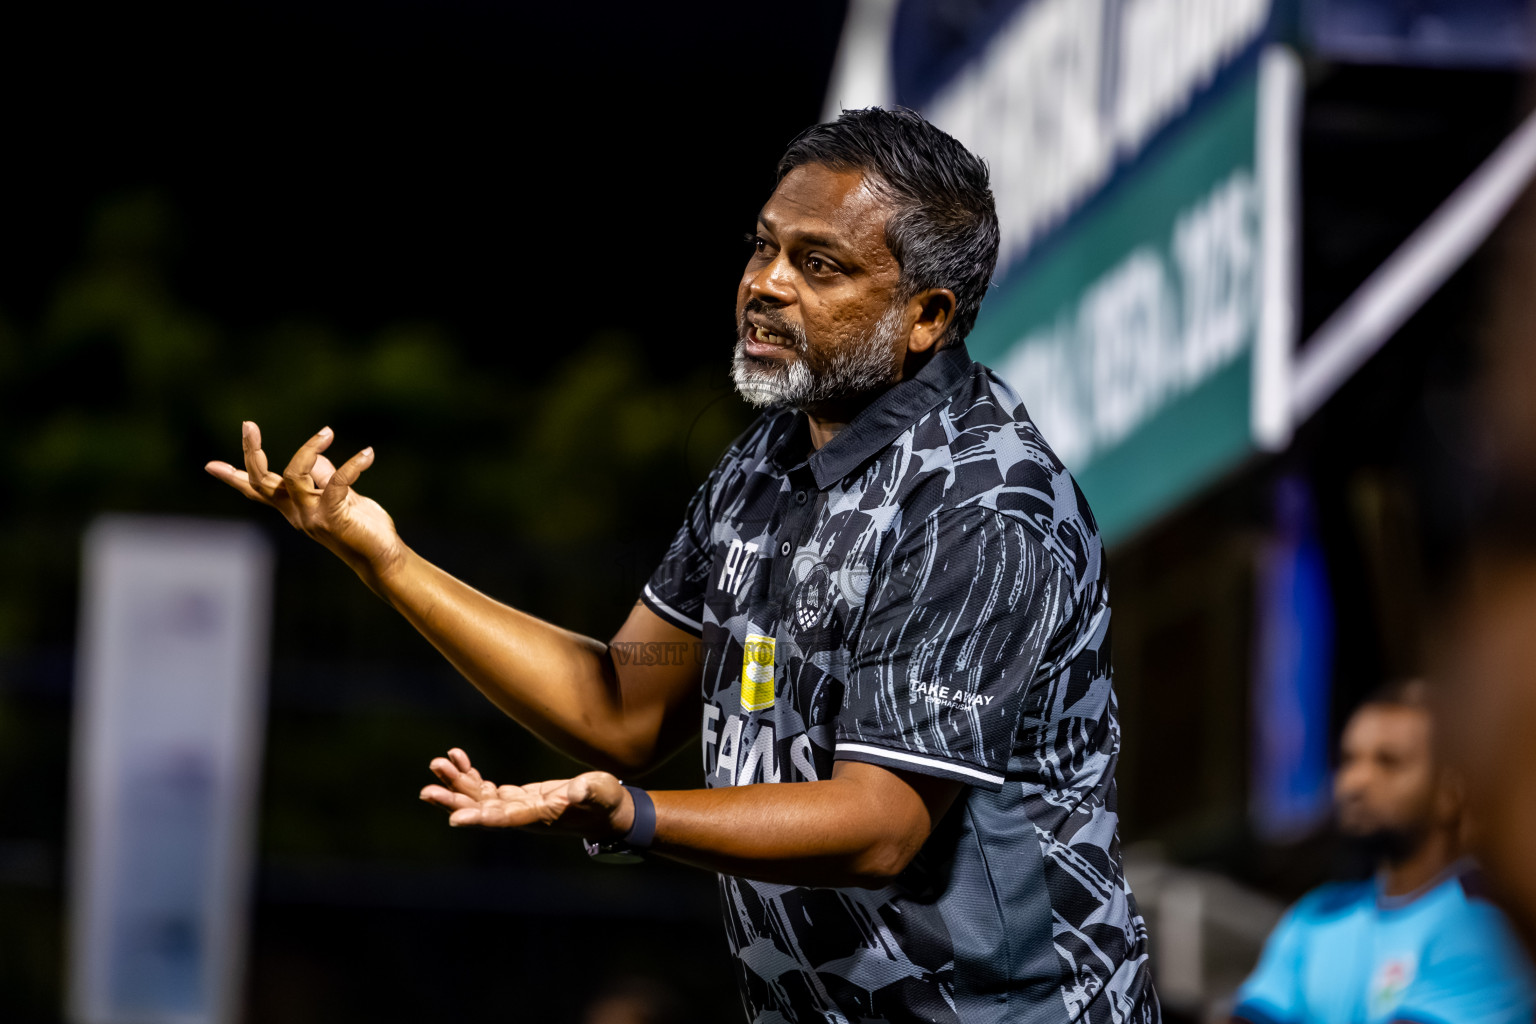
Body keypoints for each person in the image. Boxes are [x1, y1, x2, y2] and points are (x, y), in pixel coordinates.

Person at [206, 107, 1158, 1023]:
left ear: (927, 315)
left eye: (818, 264)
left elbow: (882, 825)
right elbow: (622, 703)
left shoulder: (983, 506)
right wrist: (385, 558)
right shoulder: (764, 461)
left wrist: (639, 818)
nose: (767, 283)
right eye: (763, 246)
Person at [1232, 681, 1533, 1024]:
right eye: (1348, 760)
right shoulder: (1316, 915)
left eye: (1388, 763)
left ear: (1452, 791)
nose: (1355, 782)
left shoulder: (1490, 924)